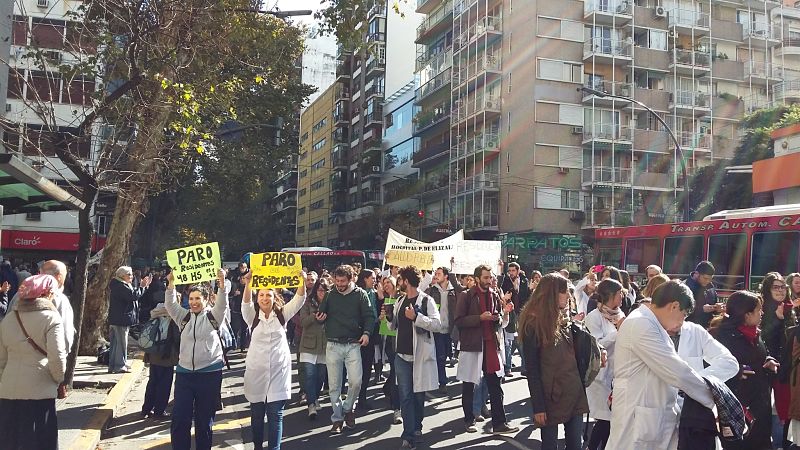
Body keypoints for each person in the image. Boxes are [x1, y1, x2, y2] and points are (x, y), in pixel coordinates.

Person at [607, 280, 715, 450]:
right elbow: (676, 371)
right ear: (674, 306)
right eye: (684, 314)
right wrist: (713, 398)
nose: (682, 322)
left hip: (650, 417)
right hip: (639, 420)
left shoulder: (651, 324)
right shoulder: (641, 324)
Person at [519, 273, 589, 450]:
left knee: (575, 445)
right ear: (551, 294)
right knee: (550, 445)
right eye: (563, 292)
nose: (568, 296)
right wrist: (538, 406)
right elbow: (532, 370)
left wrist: (598, 351)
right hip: (550, 396)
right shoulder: (533, 324)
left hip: (573, 390)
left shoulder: (565, 319)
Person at [240, 270, 306, 450]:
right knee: (257, 414)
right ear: (257, 297)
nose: (264, 298)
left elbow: (299, 299)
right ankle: (257, 446)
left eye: (268, 295)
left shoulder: (282, 314)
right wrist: (248, 284)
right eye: (261, 295)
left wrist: (302, 281)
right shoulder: (252, 317)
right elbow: (245, 303)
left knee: (276, 413)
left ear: (274, 296)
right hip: (256, 372)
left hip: (278, 371)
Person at [0, 274, 67, 450]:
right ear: (47, 294)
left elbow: (1, 359)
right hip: (39, 392)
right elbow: (57, 357)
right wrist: (58, 380)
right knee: (40, 442)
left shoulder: (8, 319)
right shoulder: (51, 318)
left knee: (11, 442)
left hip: (8, 392)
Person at [164, 269, 228, 450]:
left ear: (206, 300)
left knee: (204, 422)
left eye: (197, 299)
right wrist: (170, 284)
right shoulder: (183, 316)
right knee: (179, 419)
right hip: (184, 375)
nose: (193, 302)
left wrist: (222, 284)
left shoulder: (214, 316)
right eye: (191, 299)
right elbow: (170, 304)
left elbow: (222, 304)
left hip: (209, 375)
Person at [709, 290, 780, 450]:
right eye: (758, 310)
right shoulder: (721, 337)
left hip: (760, 405)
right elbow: (709, 368)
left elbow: (761, 355)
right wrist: (736, 371)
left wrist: (768, 360)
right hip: (736, 408)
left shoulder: (755, 333)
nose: (761, 313)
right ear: (746, 314)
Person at [454, 264, 518, 435]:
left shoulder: (495, 294)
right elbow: (459, 321)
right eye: (485, 278)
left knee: (495, 385)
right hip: (472, 346)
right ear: (476, 279)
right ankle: (469, 420)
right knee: (468, 385)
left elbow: (500, 323)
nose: (489, 281)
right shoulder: (466, 295)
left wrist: (505, 313)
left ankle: (499, 423)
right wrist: (479, 318)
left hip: (491, 345)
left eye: (490, 277)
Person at [383, 266, 441, 450]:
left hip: (420, 356)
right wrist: (389, 317)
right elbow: (393, 327)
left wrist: (417, 317)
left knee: (418, 396)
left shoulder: (426, 300)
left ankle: (417, 428)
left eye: (400, 280)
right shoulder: (400, 300)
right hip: (401, 356)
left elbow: (437, 324)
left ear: (406, 281)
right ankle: (408, 436)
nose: (399, 283)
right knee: (405, 396)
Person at [315, 265, 376, 434]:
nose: (339, 284)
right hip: (333, 344)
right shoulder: (329, 294)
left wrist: (367, 333)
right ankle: (337, 418)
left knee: (356, 381)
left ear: (351, 279)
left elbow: (369, 316)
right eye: (337, 281)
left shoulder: (360, 295)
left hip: (353, 344)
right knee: (334, 385)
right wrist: (320, 318)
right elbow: (321, 314)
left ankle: (348, 408)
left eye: (342, 281)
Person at [673, 314, 739, 450]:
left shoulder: (695, 331)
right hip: (659, 415)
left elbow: (730, 363)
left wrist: (694, 381)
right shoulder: (651, 333)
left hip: (694, 415)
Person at [584, 279, 626, 450]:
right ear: (610, 295)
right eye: (619, 294)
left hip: (618, 374)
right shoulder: (593, 317)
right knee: (605, 419)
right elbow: (597, 343)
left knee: (612, 419)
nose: (622, 297)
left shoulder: (619, 314)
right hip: (600, 376)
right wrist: (618, 332)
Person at [758, 272, 796, 448]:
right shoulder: (761, 307)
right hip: (764, 362)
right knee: (764, 404)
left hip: (785, 365)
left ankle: (783, 443)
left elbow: (791, 338)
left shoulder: (789, 308)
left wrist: (783, 319)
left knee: (785, 406)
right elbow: (762, 336)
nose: (781, 290)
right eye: (776, 287)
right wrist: (778, 320)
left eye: (783, 287)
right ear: (768, 289)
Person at [141, 299, 181, 419]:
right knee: (165, 383)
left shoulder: (154, 314)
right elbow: (177, 339)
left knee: (152, 381)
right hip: (167, 355)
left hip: (153, 354)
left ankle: (146, 409)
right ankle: (159, 410)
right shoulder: (172, 317)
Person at [425, 265, 462, 393]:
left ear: (446, 276)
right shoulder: (431, 291)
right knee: (440, 356)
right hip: (438, 329)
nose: (436, 275)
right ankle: (442, 382)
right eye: (435, 273)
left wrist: (452, 267)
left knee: (447, 355)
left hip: (451, 329)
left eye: (439, 273)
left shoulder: (454, 291)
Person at [298, 277, 331, 420]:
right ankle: (311, 403)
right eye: (319, 290)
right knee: (309, 375)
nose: (321, 293)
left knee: (320, 376)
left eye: (324, 290)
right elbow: (303, 322)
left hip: (324, 344)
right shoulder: (307, 303)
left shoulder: (332, 303)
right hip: (308, 344)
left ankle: (315, 398)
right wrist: (314, 316)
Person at [108, 266, 150, 373]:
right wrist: (142, 287)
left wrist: (142, 287)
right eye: (129, 274)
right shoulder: (120, 286)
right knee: (120, 343)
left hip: (119, 318)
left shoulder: (121, 285)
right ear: (123, 276)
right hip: (120, 319)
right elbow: (133, 296)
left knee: (117, 343)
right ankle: (119, 365)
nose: (132, 276)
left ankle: (117, 363)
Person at [378, 275, 403, 425]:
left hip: (400, 340)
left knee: (396, 373)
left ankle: (395, 402)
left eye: (388, 282)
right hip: (389, 343)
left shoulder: (401, 298)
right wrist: (382, 317)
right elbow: (380, 321)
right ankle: (396, 406)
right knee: (395, 372)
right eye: (384, 283)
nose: (386, 285)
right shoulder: (384, 301)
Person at [356, 269, 379, 410]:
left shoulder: (374, 293)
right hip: (359, 335)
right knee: (357, 369)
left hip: (371, 333)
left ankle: (362, 397)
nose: (375, 280)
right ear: (365, 279)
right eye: (373, 278)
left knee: (366, 367)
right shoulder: (358, 294)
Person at [41, 260, 76, 351]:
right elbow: (65, 337)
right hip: (46, 359)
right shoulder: (60, 300)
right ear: (59, 276)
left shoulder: (19, 295)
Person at [685, 261, 720, 329]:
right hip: (690, 329)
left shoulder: (710, 287)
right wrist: (701, 309)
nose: (708, 281)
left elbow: (714, 305)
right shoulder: (685, 287)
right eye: (705, 278)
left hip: (707, 329)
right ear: (696, 274)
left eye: (710, 279)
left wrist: (717, 308)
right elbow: (680, 309)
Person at [228, 262, 251, 352]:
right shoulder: (234, 283)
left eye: (244, 267)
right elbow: (229, 294)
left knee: (244, 329)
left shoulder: (248, 286)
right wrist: (234, 293)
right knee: (235, 328)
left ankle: (242, 347)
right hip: (236, 309)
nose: (243, 280)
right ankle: (234, 346)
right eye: (242, 278)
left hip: (246, 309)